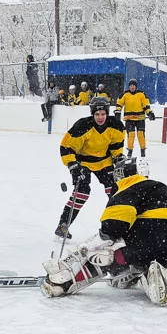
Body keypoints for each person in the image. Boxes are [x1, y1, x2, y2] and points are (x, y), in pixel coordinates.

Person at [42, 157, 167, 306]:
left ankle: (63, 281)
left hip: (148, 238)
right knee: (161, 259)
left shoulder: (128, 186)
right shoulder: (160, 188)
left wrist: (90, 247)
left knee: (105, 253)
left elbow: (113, 228)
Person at [54, 96, 125, 239]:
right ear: (92, 113)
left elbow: (116, 148)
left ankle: (116, 226)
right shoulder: (82, 126)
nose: (100, 117)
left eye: (103, 114)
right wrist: (73, 165)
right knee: (82, 191)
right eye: (97, 114)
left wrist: (119, 158)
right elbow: (66, 147)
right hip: (83, 163)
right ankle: (63, 226)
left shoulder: (116, 126)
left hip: (104, 162)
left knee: (115, 191)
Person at [114, 79, 154, 157]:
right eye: (131, 86)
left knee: (140, 135)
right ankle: (130, 152)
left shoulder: (141, 94)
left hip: (140, 119)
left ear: (136, 86)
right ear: (129, 86)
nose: (132, 87)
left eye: (133, 86)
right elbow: (119, 104)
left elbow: (146, 105)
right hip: (129, 119)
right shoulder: (125, 94)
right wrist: (118, 112)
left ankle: (143, 152)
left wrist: (149, 113)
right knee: (131, 135)